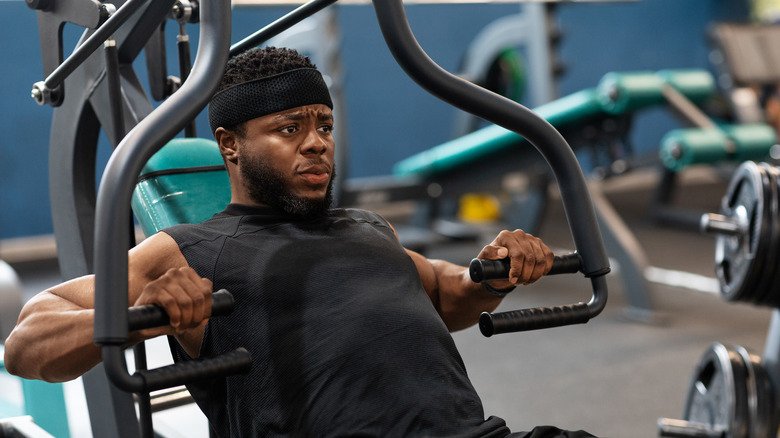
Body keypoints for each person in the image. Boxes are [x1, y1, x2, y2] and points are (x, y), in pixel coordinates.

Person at [4, 47, 593, 438]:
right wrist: (139, 315)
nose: (316, 144)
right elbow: (26, 342)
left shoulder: (366, 227)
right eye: (290, 129)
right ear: (230, 146)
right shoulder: (190, 248)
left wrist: (492, 272)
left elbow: (445, 293)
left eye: (324, 126)